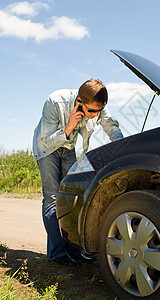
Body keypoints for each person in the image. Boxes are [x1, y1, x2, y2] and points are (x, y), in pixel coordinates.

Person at [33, 78, 123, 265]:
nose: (94, 115)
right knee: (52, 198)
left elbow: (111, 126)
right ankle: (57, 253)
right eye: (91, 111)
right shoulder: (55, 101)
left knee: (69, 198)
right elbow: (46, 140)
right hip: (46, 148)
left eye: (98, 111)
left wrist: (122, 146)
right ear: (80, 102)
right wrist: (69, 127)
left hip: (68, 147)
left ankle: (73, 249)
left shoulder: (97, 106)